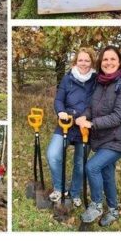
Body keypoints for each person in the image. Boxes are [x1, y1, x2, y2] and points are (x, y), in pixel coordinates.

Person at [76, 45, 121, 227]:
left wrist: (92, 124)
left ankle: (96, 205)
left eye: (113, 59)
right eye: (105, 59)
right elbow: (93, 106)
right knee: (107, 172)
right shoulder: (100, 82)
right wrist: (85, 116)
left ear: (119, 62)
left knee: (92, 167)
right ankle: (113, 210)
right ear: (100, 62)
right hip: (105, 138)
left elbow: (120, 115)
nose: (109, 62)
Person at [46, 48, 97, 207]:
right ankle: (59, 188)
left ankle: (74, 192)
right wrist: (60, 111)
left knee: (80, 164)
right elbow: (59, 99)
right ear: (75, 62)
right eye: (80, 60)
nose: (83, 63)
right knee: (53, 154)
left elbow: (116, 69)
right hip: (66, 124)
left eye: (87, 60)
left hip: (85, 128)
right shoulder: (67, 79)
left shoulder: (97, 80)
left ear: (92, 62)